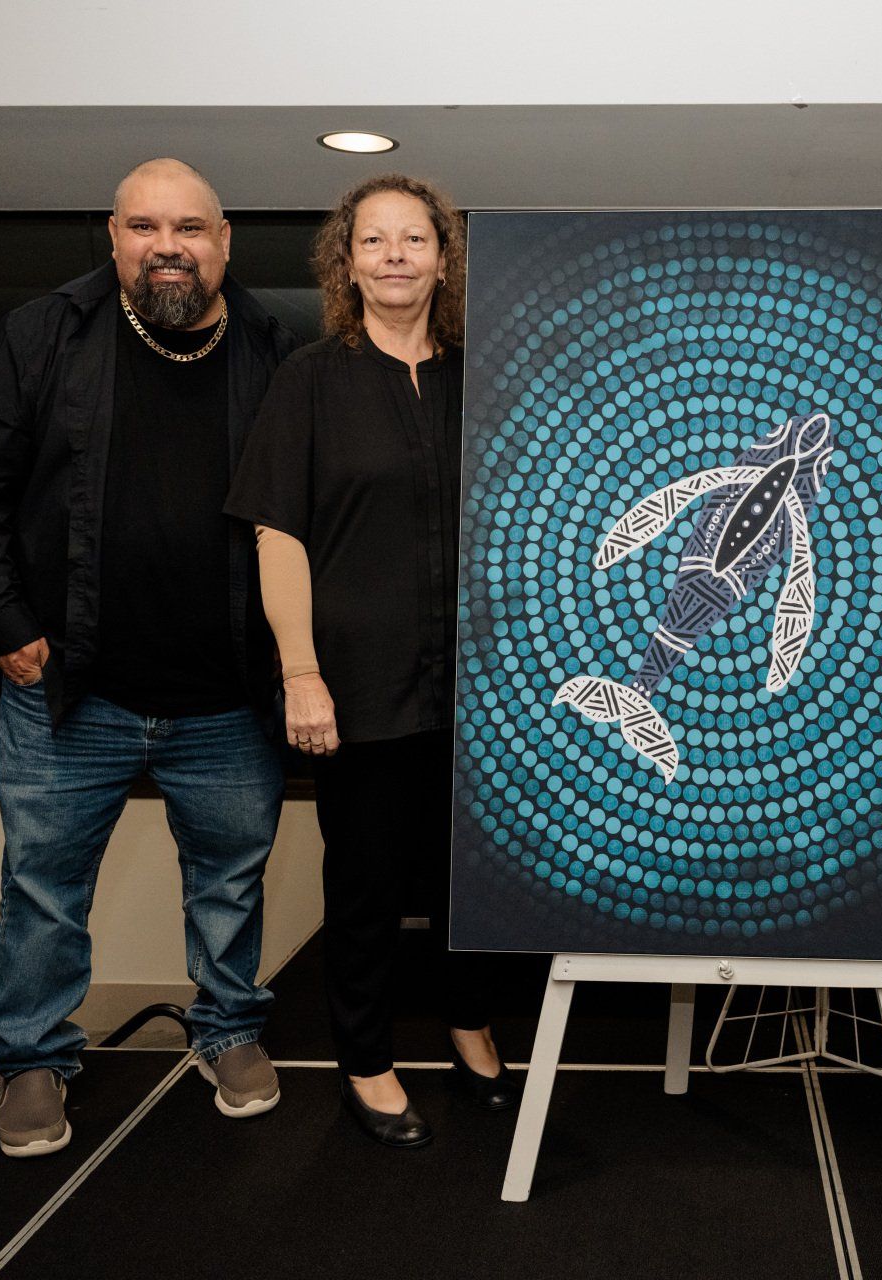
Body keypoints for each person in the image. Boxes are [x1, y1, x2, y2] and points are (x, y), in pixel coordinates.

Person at [0, 159, 300, 1157]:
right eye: (145, 225)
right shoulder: (42, 334)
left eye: (189, 225)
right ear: (113, 236)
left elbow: (303, 519)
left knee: (231, 881)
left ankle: (229, 1030)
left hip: (228, 694)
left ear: (225, 241)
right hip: (70, 690)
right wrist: (9, 625)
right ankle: (31, 1057)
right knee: (45, 887)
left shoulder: (271, 344)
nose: (167, 243)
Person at [226, 173, 513, 1149]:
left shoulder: (488, 374)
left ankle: (469, 1019)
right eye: (374, 240)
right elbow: (278, 534)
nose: (395, 254)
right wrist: (299, 670)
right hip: (355, 686)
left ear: (444, 257)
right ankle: (366, 1057)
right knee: (366, 886)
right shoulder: (311, 378)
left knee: (468, 879)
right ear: (346, 262)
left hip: (483, 688)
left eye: (415, 238)